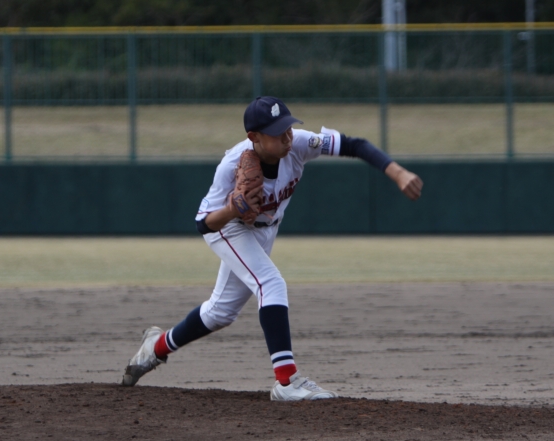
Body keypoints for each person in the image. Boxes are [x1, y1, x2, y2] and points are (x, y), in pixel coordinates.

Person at [121, 96, 423, 401]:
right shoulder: (231, 166)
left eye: (288, 127)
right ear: (254, 137)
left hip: (266, 229)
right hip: (229, 228)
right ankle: (286, 381)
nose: (287, 136)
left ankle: (155, 347)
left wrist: (398, 173)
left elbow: (355, 145)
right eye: (278, 132)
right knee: (271, 283)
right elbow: (204, 224)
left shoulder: (300, 143)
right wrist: (232, 209)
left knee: (220, 313)